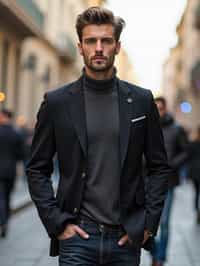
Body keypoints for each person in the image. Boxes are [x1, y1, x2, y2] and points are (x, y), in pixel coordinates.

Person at [26, 7, 170, 266]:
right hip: (77, 238)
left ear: (117, 46)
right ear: (81, 47)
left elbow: (159, 167)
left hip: (125, 238)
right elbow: (37, 168)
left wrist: (147, 224)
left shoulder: (140, 101)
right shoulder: (57, 102)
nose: (99, 48)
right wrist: (57, 223)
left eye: (106, 41)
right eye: (91, 41)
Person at [151, 97, 188, 266]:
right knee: (149, 222)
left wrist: (172, 164)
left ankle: (160, 258)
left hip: (168, 182)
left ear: (165, 109)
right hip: (149, 182)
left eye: (161, 108)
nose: (158, 111)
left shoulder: (176, 129)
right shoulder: (147, 128)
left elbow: (185, 152)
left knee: (164, 222)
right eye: (155, 108)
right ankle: (155, 252)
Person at [0, 109, 24, 237]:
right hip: (10, 171)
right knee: (7, 197)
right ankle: (5, 222)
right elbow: (21, 154)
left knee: (1, 197)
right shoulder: (16, 133)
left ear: (3, 116)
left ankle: (2, 221)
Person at [187, 126, 200, 224]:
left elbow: (188, 156)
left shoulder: (193, 143)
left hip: (195, 173)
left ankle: (197, 210)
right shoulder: (193, 144)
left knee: (196, 192)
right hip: (196, 173)